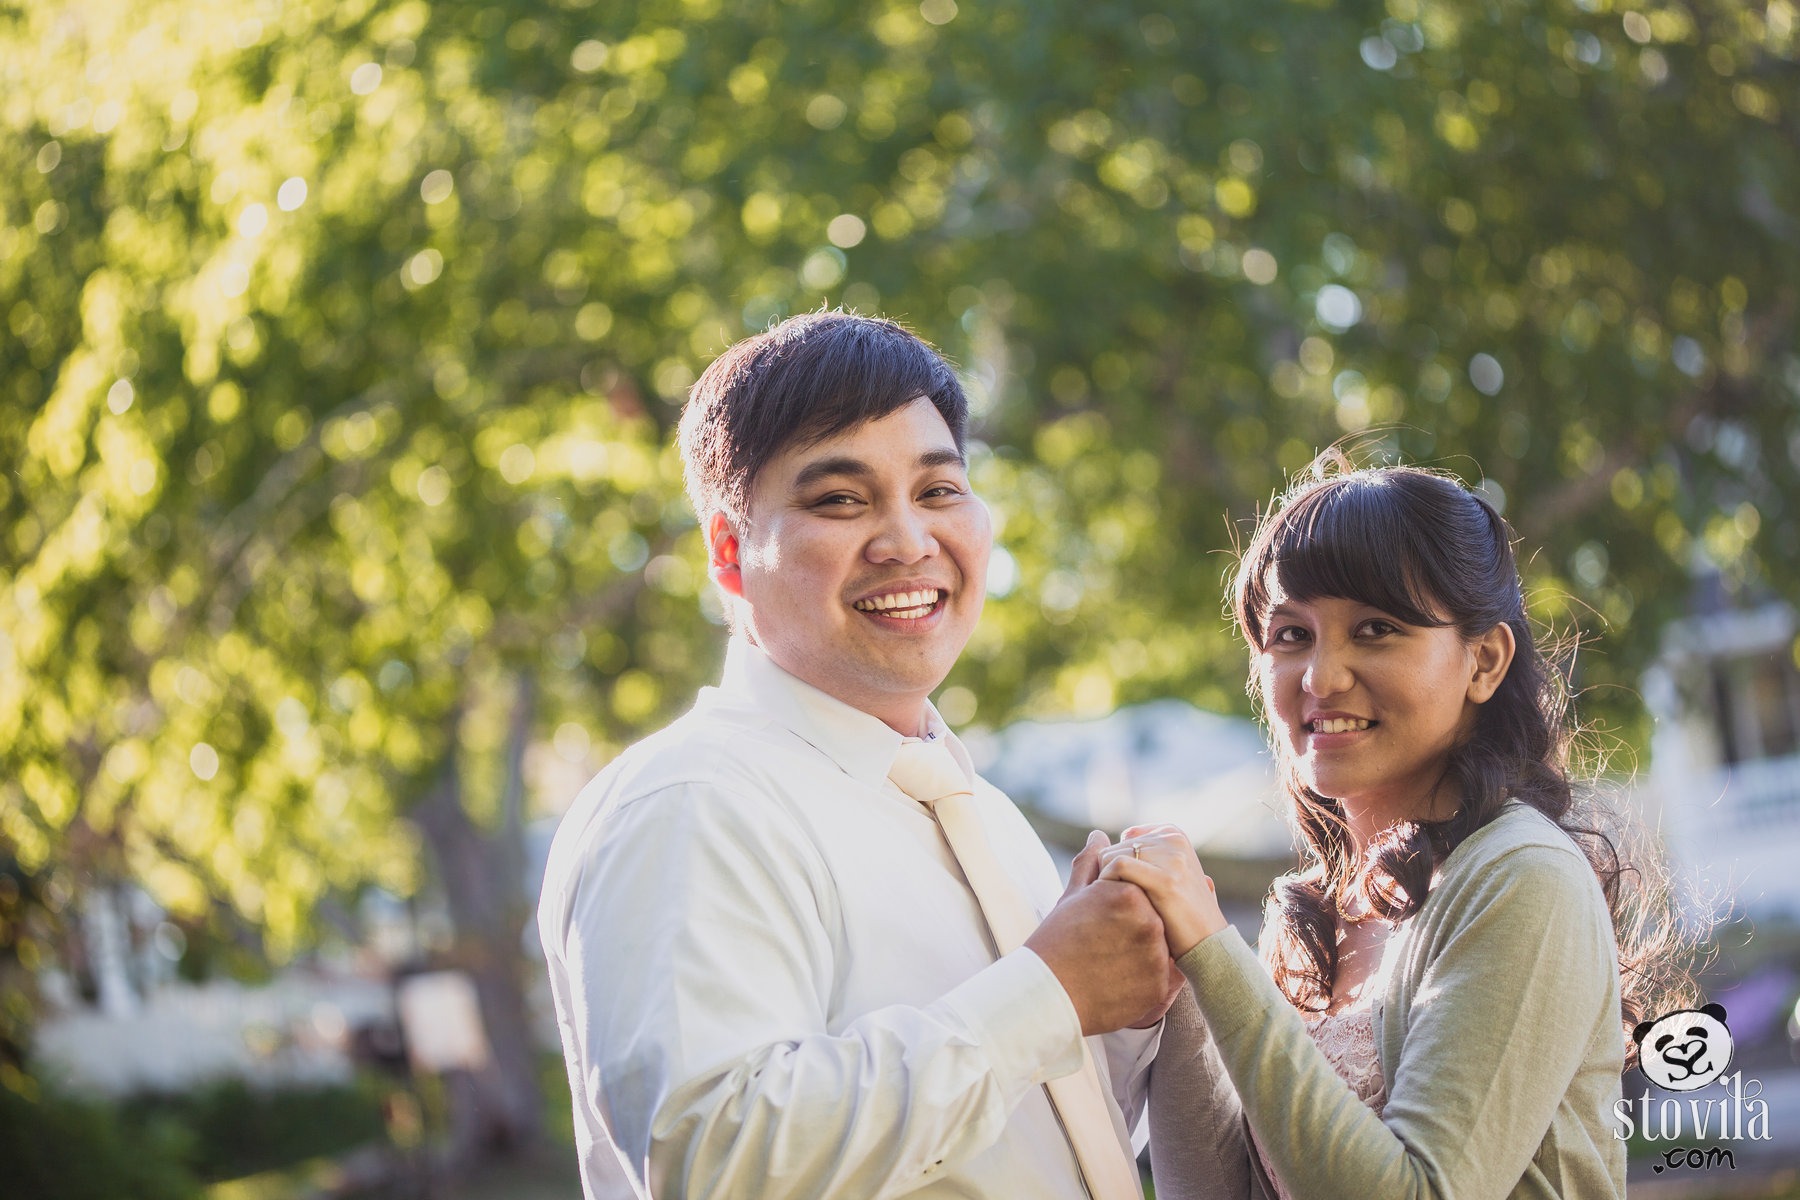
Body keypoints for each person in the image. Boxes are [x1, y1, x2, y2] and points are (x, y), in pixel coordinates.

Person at [537, 311, 1179, 1200]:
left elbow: (1026, 1140)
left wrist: (1139, 989)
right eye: (841, 500)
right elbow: (716, 1163)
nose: (908, 541)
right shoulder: (691, 800)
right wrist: (1049, 993)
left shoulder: (983, 814)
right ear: (729, 552)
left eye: (939, 491)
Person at [1103, 462, 1672, 1200]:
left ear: (1485, 660)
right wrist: (1180, 971)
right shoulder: (1308, 919)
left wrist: (1216, 954)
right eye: (1291, 634)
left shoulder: (1520, 877)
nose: (1321, 677)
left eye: (1376, 629)